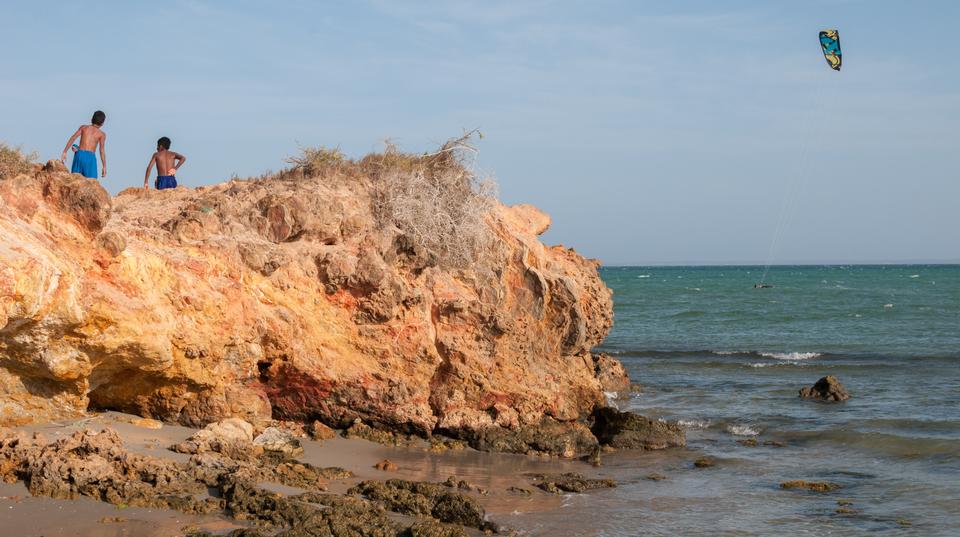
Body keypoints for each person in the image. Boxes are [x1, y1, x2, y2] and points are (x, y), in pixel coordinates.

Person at [60, 110, 107, 179]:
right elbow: (101, 151)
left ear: (91, 119)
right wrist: (104, 166)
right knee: (91, 183)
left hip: (79, 154)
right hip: (90, 157)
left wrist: (64, 152)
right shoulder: (101, 134)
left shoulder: (84, 128)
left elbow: (73, 137)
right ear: (102, 123)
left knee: (75, 180)